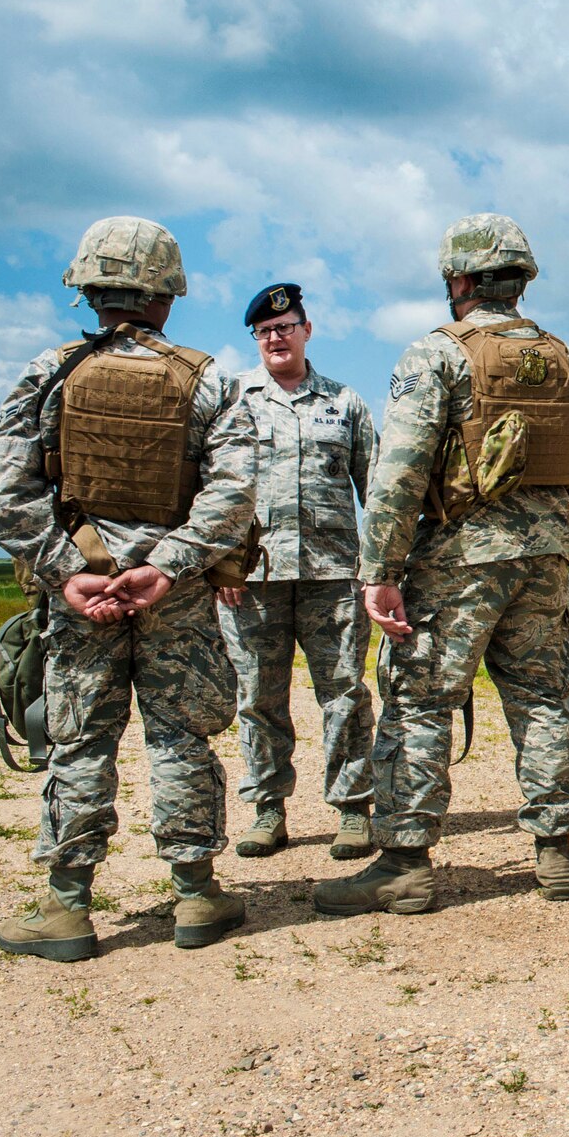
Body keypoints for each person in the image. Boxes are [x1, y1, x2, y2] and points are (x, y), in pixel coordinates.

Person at [313, 214, 569, 916]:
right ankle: (556, 855)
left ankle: (404, 864)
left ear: (458, 279)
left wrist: (380, 572)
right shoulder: (565, 359)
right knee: (542, 696)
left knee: (422, 699)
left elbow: (398, 474)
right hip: (546, 555)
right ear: (519, 281)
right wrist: (544, 500)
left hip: (461, 558)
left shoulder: (437, 356)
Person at [0, 216, 257, 960]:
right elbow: (233, 496)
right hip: (177, 595)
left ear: (91, 291)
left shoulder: (49, 373)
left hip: (85, 595)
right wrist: (167, 567)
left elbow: (12, 496)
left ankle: (68, 908)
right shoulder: (209, 381)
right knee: (180, 736)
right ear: (167, 297)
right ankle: (197, 895)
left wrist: (67, 575)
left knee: (79, 743)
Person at [218, 283, 379, 861]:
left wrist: (379, 568)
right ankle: (267, 810)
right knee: (259, 698)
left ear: (306, 331)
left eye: (285, 328)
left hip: (334, 577)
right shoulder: (231, 399)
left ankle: (353, 809)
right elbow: (209, 489)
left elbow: (378, 489)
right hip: (249, 580)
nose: (275, 338)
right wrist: (219, 563)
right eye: (264, 331)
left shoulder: (345, 403)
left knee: (343, 696)